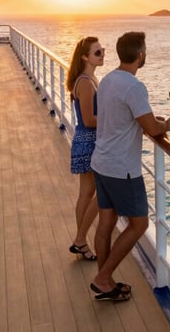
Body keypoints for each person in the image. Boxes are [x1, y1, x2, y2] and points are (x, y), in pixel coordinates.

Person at [89, 31, 170, 301]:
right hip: (122, 168)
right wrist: (168, 125)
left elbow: (123, 118)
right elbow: (152, 128)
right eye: (145, 50)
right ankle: (103, 278)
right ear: (140, 55)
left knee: (106, 222)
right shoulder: (133, 86)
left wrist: (151, 121)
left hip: (102, 161)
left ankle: (105, 281)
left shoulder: (107, 80)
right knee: (139, 224)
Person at [67, 36, 105, 261]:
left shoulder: (90, 79)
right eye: (97, 52)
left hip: (86, 140)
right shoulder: (85, 83)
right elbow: (90, 120)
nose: (102, 55)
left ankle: (81, 241)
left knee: (87, 193)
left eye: (103, 50)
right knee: (100, 192)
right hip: (89, 140)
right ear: (85, 57)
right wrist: (115, 119)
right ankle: (81, 240)